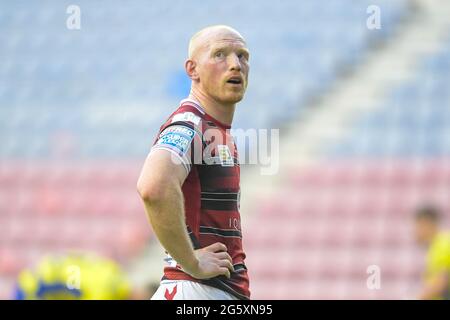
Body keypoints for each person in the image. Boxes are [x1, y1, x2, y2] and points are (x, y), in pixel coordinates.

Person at [137, 25, 250, 300]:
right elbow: (154, 187)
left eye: (242, 56)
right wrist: (192, 262)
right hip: (197, 292)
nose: (235, 64)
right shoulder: (190, 122)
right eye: (220, 55)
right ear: (192, 69)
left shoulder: (215, 130)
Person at [413, 205, 450, 300]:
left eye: (417, 226)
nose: (414, 231)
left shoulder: (443, 244)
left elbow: (443, 278)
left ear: (426, 223)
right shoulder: (435, 246)